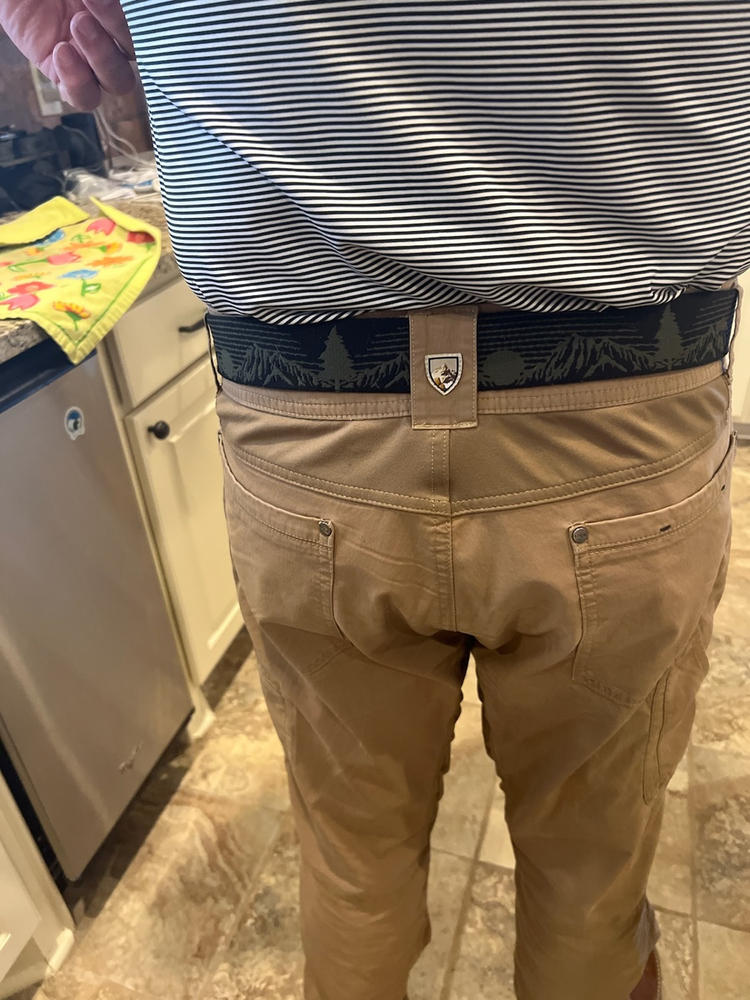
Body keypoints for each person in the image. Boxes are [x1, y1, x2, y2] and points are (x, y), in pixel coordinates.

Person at [3, 4, 747, 998]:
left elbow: (114, 69)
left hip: (304, 435)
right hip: (623, 423)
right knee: (590, 873)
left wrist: (157, 80)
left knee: (354, 865)